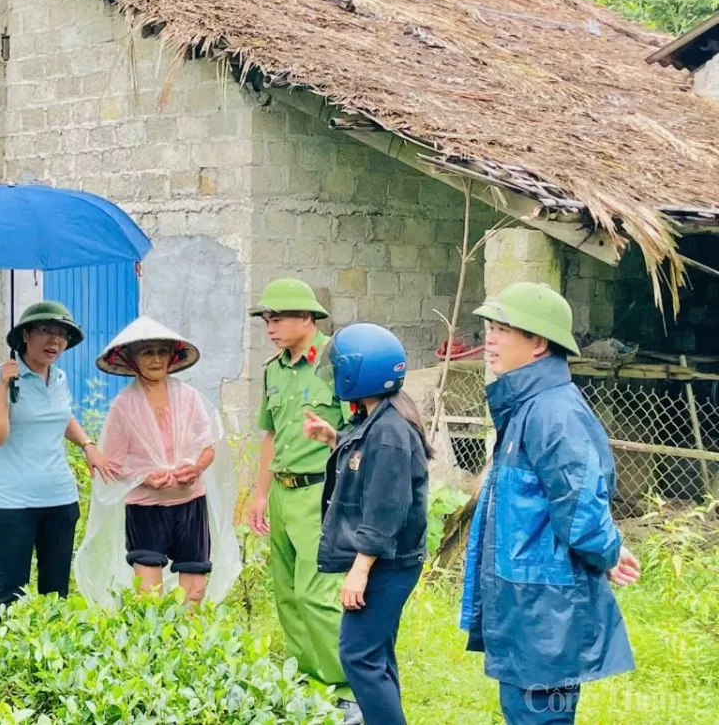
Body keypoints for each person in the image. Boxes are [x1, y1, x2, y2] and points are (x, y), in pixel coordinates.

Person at [461, 282, 640, 724]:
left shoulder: (552, 413)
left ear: (538, 343)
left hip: (546, 612)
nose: (490, 338)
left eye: (503, 329)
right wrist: (608, 552)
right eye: (491, 327)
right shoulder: (528, 407)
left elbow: (581, 509)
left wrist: (609, 550)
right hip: (530, 606)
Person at [245, 278, 359, 723]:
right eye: (267, 320)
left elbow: (360, 430)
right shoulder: (275, 369)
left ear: (307, 319)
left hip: (321, 491)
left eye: (278, 319)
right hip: (281, 490)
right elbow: (270, 434)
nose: (270, 328)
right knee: (288, 593)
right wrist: (258, 495)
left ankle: (346, 687)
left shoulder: (339, 360)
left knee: (318, 593)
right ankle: (308, 679)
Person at [307, 324, 431, 725]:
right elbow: (366, 463)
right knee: (375, 654)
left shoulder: (391, 431)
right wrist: (333, 438)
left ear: (356, 373)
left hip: (386, 564)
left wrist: (358, 573)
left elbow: (385, 511)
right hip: (390, 561)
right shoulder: (379, 418)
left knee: (357, 654)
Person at [74, 318, 241, 606]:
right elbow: (111, 465)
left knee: (194, 590)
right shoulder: (123, 407)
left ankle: (189, 648)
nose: (156, 359)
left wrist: (196, 468)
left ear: (172, 357)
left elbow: (208, 447)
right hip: (146, 508)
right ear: (132, 360)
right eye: (147, 353)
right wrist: (145, 478)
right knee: (149, 594)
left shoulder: (188, 397)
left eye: (162, 352)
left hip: (190, 503)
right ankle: (155, 647)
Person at [0, 301, 118, 605]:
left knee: (55, 596)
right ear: (26, 335)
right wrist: (4, 385)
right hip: (13, 503)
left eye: (61, 335)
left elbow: (60, 415)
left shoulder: (59, 379)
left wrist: (87, 445)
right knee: (10, 597)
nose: (54, 341)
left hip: (60, 499)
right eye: (45, 331)